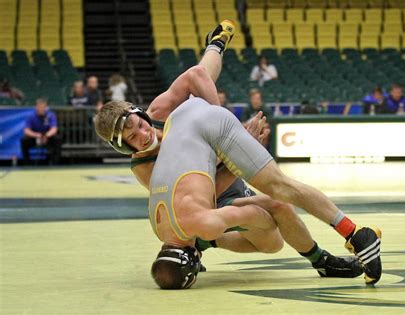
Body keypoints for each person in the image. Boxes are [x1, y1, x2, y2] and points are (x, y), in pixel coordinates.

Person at [95, 21, 363, 287]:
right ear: (124, 147)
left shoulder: (158, 113)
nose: (143, 135)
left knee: (199, 91)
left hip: (219, 173)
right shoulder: (145, 167)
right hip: (210, 198)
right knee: (272, 231)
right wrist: (234, 144)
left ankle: (216, 43)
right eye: (133, 138)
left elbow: (195, 76)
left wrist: (222, 127)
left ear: (141, 114)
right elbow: (206, 191)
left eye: (140, 125)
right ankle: (207, 241)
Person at [21, 98, 61, 165]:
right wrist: (37, 135)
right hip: (35, 137)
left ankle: (55, 163)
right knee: (24, 140)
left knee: (57, 139)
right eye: (39, 107)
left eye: (43, 107)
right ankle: (27, 163)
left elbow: (54, 129)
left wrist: (47, 135)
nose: (41, 109)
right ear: (36, 107)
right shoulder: (31, 116)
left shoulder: (51, 115)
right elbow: (26, 130)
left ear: (46, 107)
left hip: (47, 136)